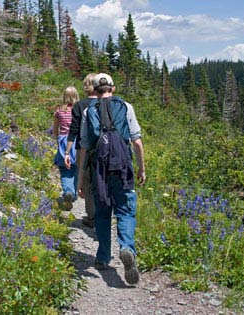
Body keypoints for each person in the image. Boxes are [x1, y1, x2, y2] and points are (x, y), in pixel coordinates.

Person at [77, 73, 146, 285]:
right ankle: (126, 247)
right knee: (125, 210)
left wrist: (80, 180)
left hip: (100, 168)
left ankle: (103, 257)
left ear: (94, 90)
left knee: (103, 211)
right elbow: (137, 142)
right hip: (123, 165)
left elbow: (85, 147)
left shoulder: (89, 111)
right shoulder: (126, 107)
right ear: (113, 88)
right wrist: (142, 168)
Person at [64, 73, 97, 228]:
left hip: (82, 148)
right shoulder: (106, 103)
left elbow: (73, 130)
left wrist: (67, 151)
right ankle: (104, 213)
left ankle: (92, 216)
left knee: (87, 183)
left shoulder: (79, 105)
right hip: (104, 148)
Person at [53, 86, 80, 211]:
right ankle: (73, 192)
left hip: (64, 141)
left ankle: (68, 191)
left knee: (65, 169)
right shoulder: (79, 110)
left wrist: (58, 139)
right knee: (76, 168)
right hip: (76, 140)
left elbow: (55, 129)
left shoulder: (59, 111)